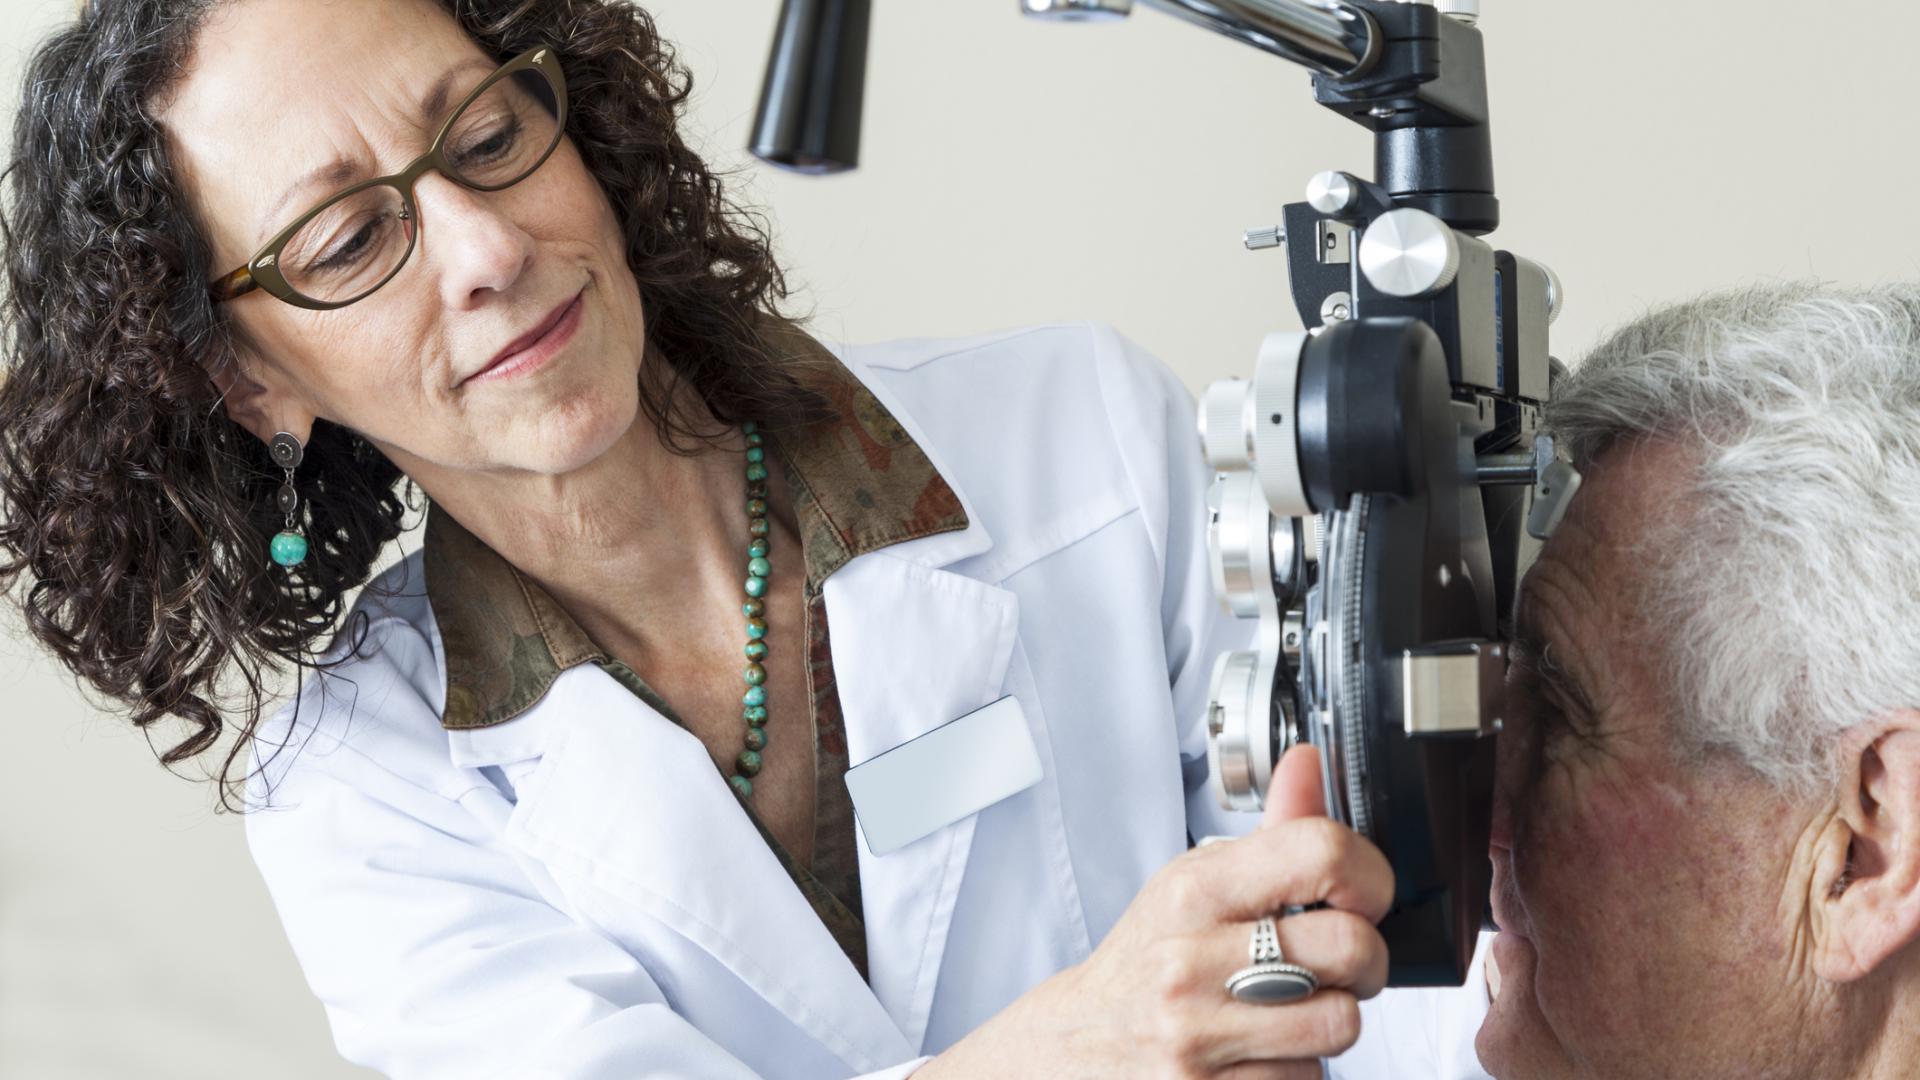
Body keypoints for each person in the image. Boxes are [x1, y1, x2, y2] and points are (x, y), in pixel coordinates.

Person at [0, 1, 1490, 1077]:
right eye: (346, 243)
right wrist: (1074, 1051)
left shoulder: (1073, 435)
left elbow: (1387, 976)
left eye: (489, 135)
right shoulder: (359, 784)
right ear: (245, 376)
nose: (487, 250)